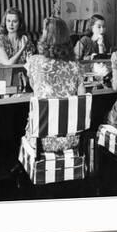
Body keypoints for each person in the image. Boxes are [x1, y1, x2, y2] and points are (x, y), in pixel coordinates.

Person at [24, 17, 86, 152]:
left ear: (45, 36)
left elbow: (35, 88)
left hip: (40, 139)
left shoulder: (34, 62)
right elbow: (82, 101)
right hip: (71, 139)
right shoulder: (76, 66)